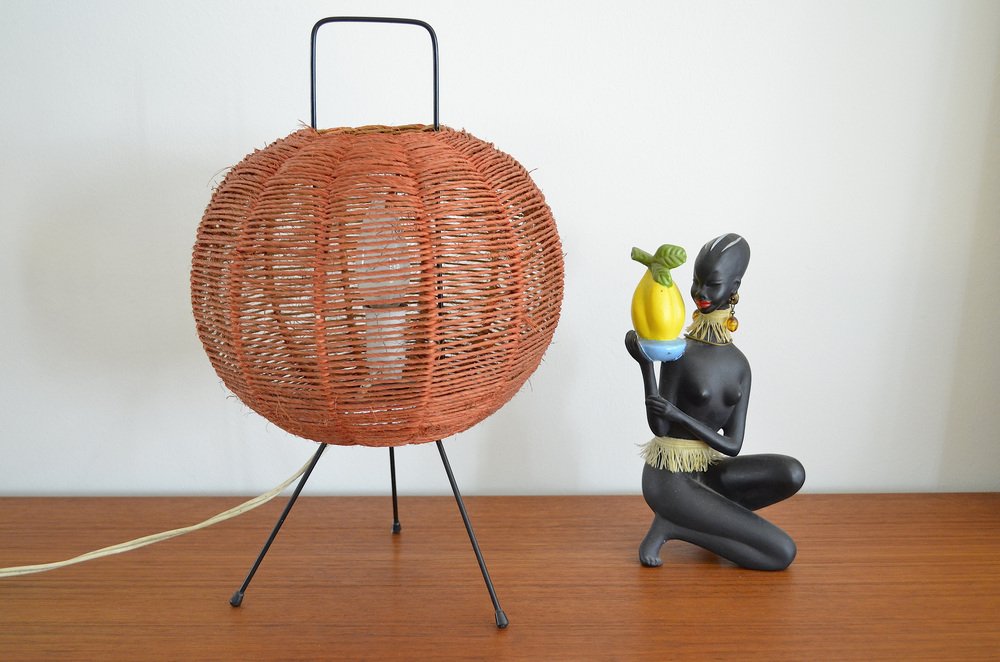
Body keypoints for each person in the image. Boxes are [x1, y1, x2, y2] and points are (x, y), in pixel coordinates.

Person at [625, 233, 804, 570]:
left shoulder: (740, 365)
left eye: (713, 284)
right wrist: (646, 366)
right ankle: (674, 522)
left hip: (706, 472)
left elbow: (732, 446)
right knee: (782, 552)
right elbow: (660, 427)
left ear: (734, 287)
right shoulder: (680, 353)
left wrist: (681, 416)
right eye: (696, 282)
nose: (701, 293)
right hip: (669, 480)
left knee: (791, 472)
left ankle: (702, 518)